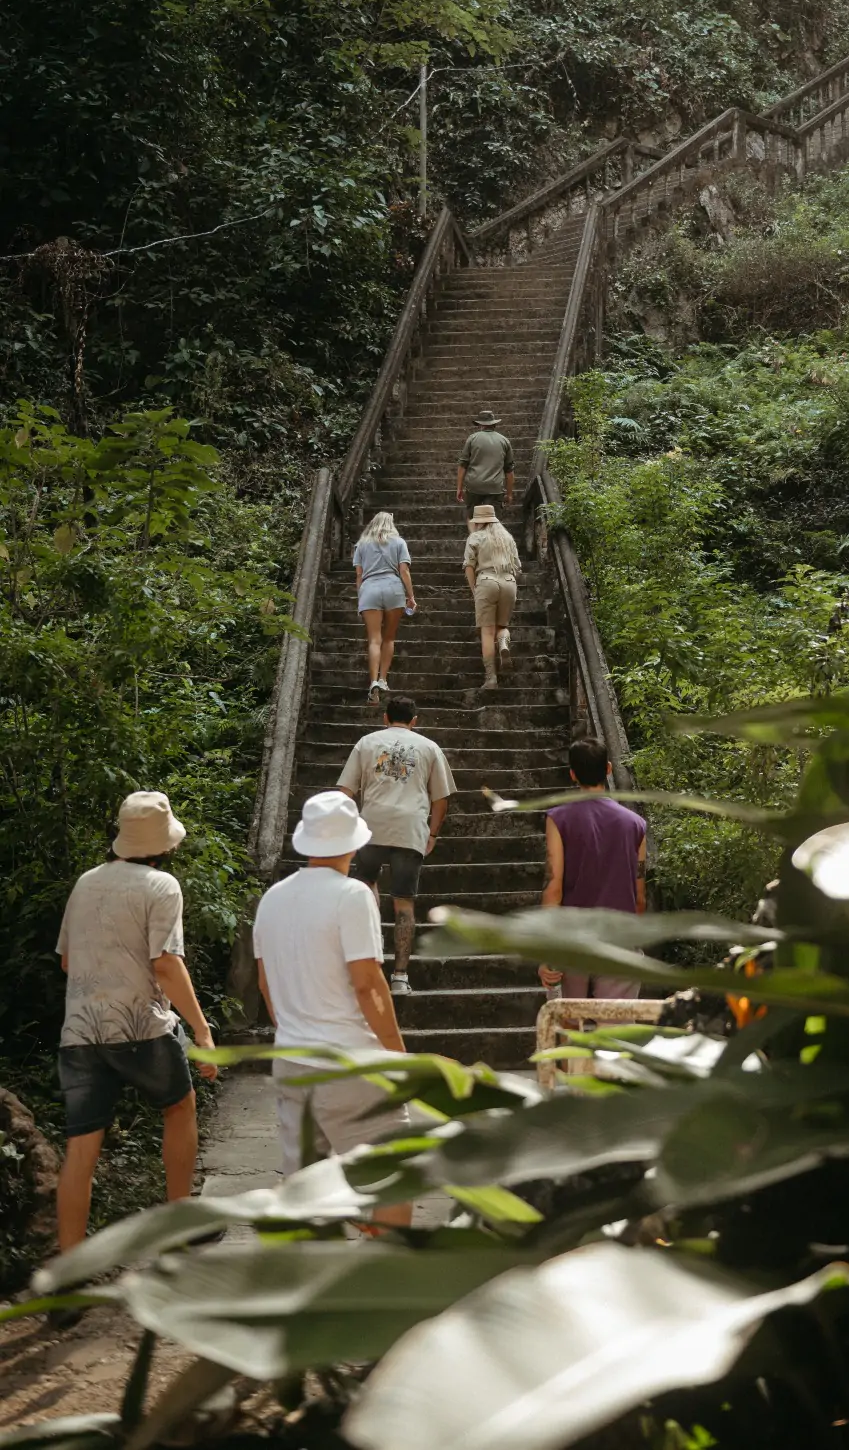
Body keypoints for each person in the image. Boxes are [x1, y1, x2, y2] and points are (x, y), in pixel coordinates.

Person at [54, 791, 218, 1252]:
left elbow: (67, 962)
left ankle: (68, 1275)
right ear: (163, 844)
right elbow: (165, 963)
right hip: (140, 1027)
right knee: (179, 1106)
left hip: (81, 1030)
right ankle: (180, 1223)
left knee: (81, 1148)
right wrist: (202, 1033)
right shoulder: (162, 887)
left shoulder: (85, 882)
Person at [253, 790, 412, 1217]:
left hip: (292, 1060)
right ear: (354, 844)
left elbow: (266, 986)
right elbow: (369, 985)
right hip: (349, 1061)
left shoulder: (272, 900)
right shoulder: (353, 895)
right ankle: (386, 1277)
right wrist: (397, 1055)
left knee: (305, 1196)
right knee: (391, 1180)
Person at [337, 694, 457, 996]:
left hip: (371, 827)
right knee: (404, 903)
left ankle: (367, 961)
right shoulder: (430, 747)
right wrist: (433, 834)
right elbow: (441, 798)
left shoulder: (367, 742)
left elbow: (344, 790)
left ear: (385, 718)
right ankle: (400, 977)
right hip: (410, 830)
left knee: (364, 886)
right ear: (414, 721)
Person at [537, 738, 647, 1002]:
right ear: (608, 769)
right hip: (619, 939)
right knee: (615, 1031)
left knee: (571, 1030)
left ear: (572, 773)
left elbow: (554, 889)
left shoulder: (558, 819)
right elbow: (639, 897)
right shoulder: (636, 824)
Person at [352, 510, 415, 708]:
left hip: (369, 589)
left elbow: (359, 576)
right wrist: (411, 596)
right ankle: (383, 679)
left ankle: (372, 683)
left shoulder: (361, 545)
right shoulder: (399, 543)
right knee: (389, 638)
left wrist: (360, 597)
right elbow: (404, 571)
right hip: (393, 588)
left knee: (374, 639)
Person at [462, 502, 521, 693]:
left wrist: (475, 589)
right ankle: (504, 642)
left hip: (486, 582)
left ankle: (491, 678)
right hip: (509, 582)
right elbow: (518, 567)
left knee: (487, 632)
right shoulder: (508, 538)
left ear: (479, 522)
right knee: (502, 627)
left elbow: (469, 566)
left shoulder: (475, 537)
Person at [456, 408, 514, 516]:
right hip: (495, 487)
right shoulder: (504, 440)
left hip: (474, 486)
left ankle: (475, 532)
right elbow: (509, 470)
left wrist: (459, 488)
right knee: (492, 519)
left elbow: (462, 465)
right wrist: (509, 494)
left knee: (472, 517)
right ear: (494, 424)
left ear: (480, 425)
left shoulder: (472, 439)